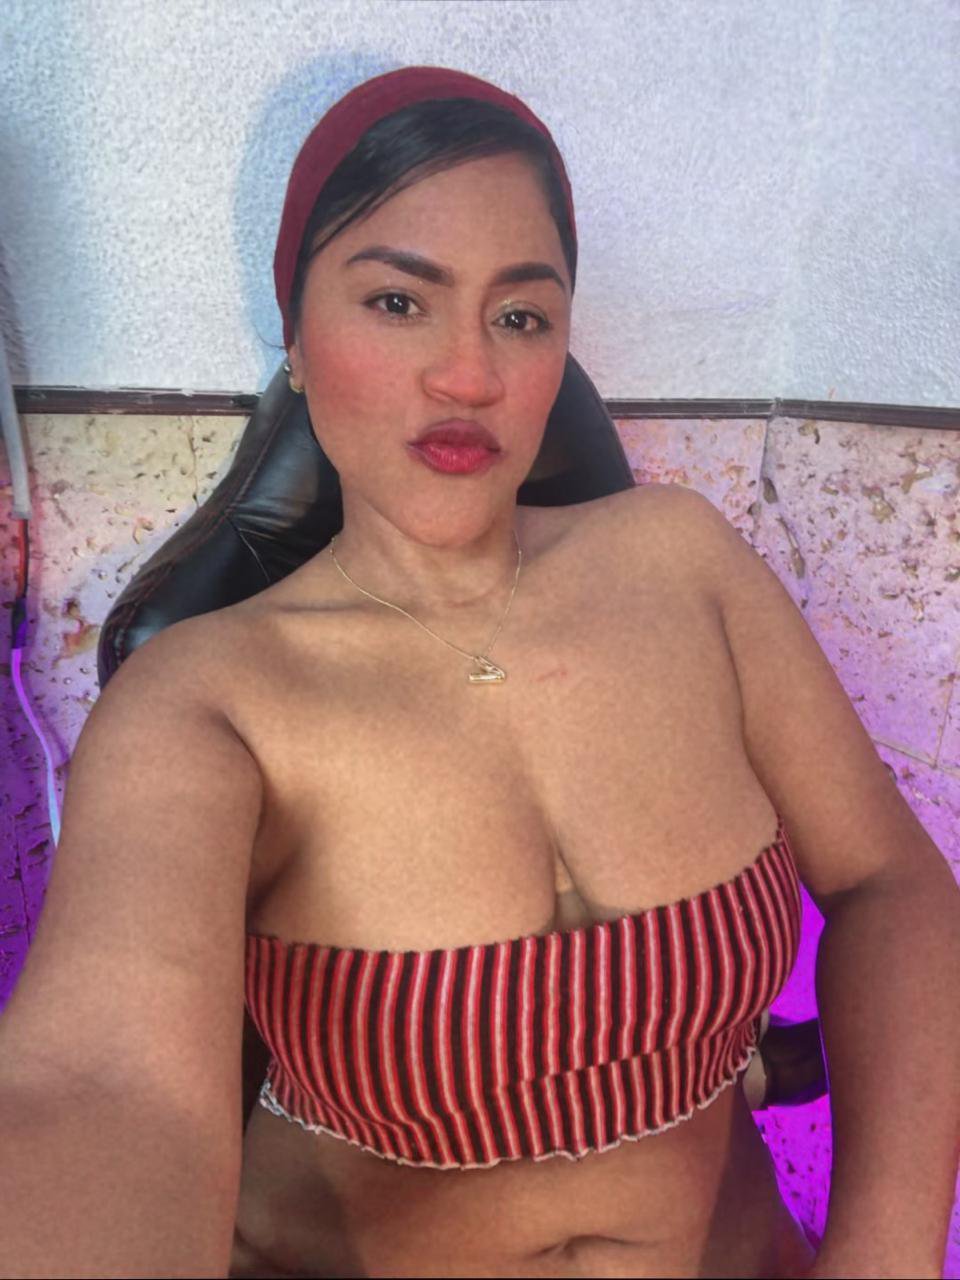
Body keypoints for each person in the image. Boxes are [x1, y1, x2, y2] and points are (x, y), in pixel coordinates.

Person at [222, 66, 820, 1279]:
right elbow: (95, 1074)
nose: (469, 375)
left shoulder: (684, 562)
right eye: (399, 300)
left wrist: (885, 1248)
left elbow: (896, 885)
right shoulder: (209, 695)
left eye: (522, 316)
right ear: (295, 335)